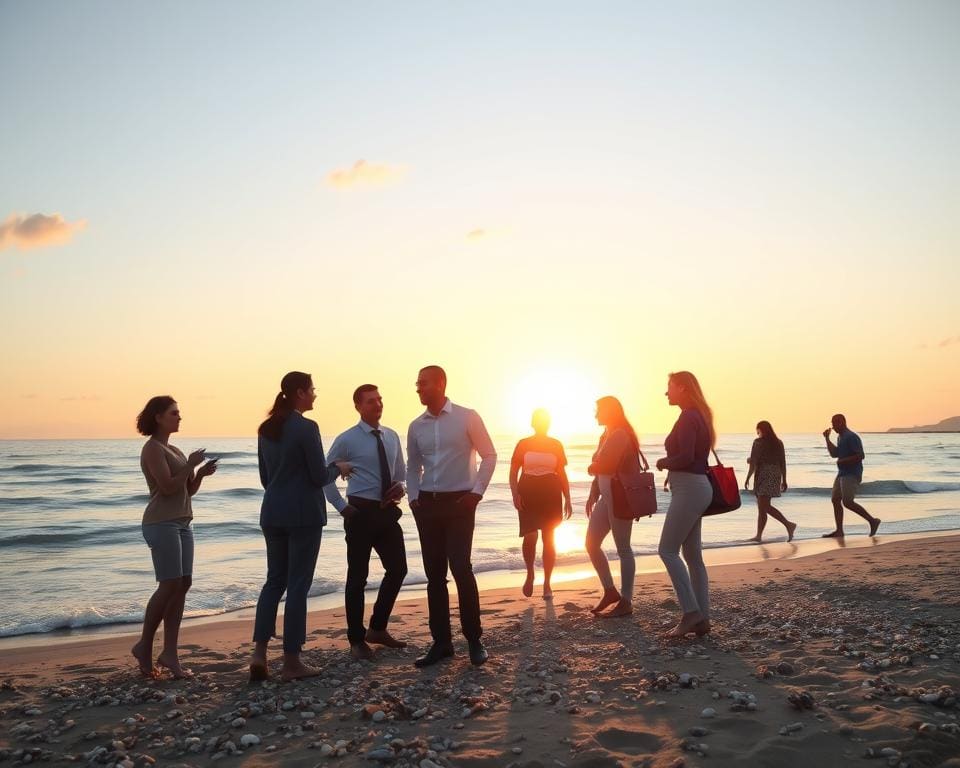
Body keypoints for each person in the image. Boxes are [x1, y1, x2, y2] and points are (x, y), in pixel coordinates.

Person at [249, 372, 350, 682]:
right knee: (297, 585)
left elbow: (266, 477)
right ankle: (292, 660)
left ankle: (259, 653)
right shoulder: (306, 428)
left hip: (273, 511)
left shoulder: (266, 428)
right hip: (303, 513)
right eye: (312, 390)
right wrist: (340, 468)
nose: (315, 395)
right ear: (300, 393)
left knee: (273, 582)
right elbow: (320, 476)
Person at [406, 365, 497, 667]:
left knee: (461, 567)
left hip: (460, 503)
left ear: (441, 384)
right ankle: (442, 643)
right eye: (417, 384)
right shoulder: (416, 425)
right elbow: (413, 466)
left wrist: (476, 493)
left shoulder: (467, 416)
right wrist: (414, 498)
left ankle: (474, 640)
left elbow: (490, 455)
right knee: (434, 576)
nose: (419, 388)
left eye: (424, 383)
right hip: (427, 506)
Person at [132, 396, 218, 678]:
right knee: (169, 584)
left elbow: (185, 490)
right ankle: (144, 645)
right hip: (161, 522)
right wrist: (190, 464)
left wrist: (200, 473)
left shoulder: (174, 449)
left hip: (182, 521)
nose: (179, 417)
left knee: (183, 583)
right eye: (174, 413)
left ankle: (170, 652)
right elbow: (168, 488)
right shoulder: (152, 449)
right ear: (158, 417)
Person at [324, 384, 408, 661]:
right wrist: (341, 507)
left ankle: (378, 628)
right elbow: (325, 475)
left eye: (380, 400)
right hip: (359, 511)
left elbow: (401, 474)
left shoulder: (392, 436)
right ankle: (356, 640)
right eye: (371, 401)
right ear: (358, 406)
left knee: (398, 569)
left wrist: (400, 489)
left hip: (386, 511)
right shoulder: (347, 439)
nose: (377, 404)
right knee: (357, 577)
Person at [655, 371, 714, 639]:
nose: (666, 392)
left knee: (667, 550)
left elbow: (686, 456)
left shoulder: (689, 416)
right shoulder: (697, 414)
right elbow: (691, 456)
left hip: (689, 488)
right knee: (692, 557)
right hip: (696, 487)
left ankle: (691, 613)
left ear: (682, 388)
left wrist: (663, 463)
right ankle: (702, 617)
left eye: (669, 387)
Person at [584, 396, 642, 618]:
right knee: (591, 543)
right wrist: (593, 493)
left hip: (621, 498)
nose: (595, 414)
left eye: (598, 410)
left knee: (623, 549)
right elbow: (602, 471)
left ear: (609, 411)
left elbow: (606, 465)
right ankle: (610, 590)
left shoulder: (619, 434)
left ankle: (626, 600)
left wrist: (591, 467)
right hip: (606, 498)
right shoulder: (606, 434)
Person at [509, 408, 573, 600]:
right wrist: (515, 494)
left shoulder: (556, 445)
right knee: (530, 536)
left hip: (551, 493)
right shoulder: (523, 444)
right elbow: (513, 472)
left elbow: (561, 473)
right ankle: (530, 572)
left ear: (548, 424)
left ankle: (547, 583)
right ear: (533, 423)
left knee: (549, 538)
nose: (542, 424)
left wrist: (568, 497)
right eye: (539, 421)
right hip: (528, 491)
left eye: (545, 421)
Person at [822, 414, 880, 538]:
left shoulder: (851, 437)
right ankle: (839, 530)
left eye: (835, 423)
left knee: (847, 502)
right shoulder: (840, 437)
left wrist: (843, 461)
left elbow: (860, 455)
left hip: (852, 473)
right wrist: (827, 439)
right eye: (832, 423)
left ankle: (872, 521)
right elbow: (834, 454)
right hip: (842, 473)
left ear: (843, 422)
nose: (833, 426)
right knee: (835, 499)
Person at [744, 420, 796, 542]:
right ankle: (758, 536)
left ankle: (788, 525)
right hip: (775, 473)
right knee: (762, 507)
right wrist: (784, 479)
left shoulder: (758, 442)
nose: (757, 434)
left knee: (764, 506)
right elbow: (783, 462)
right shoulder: (778, 443)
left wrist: (747, 478)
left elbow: (754, 463)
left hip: (763, 474)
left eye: (758, 431)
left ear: (760, 430)